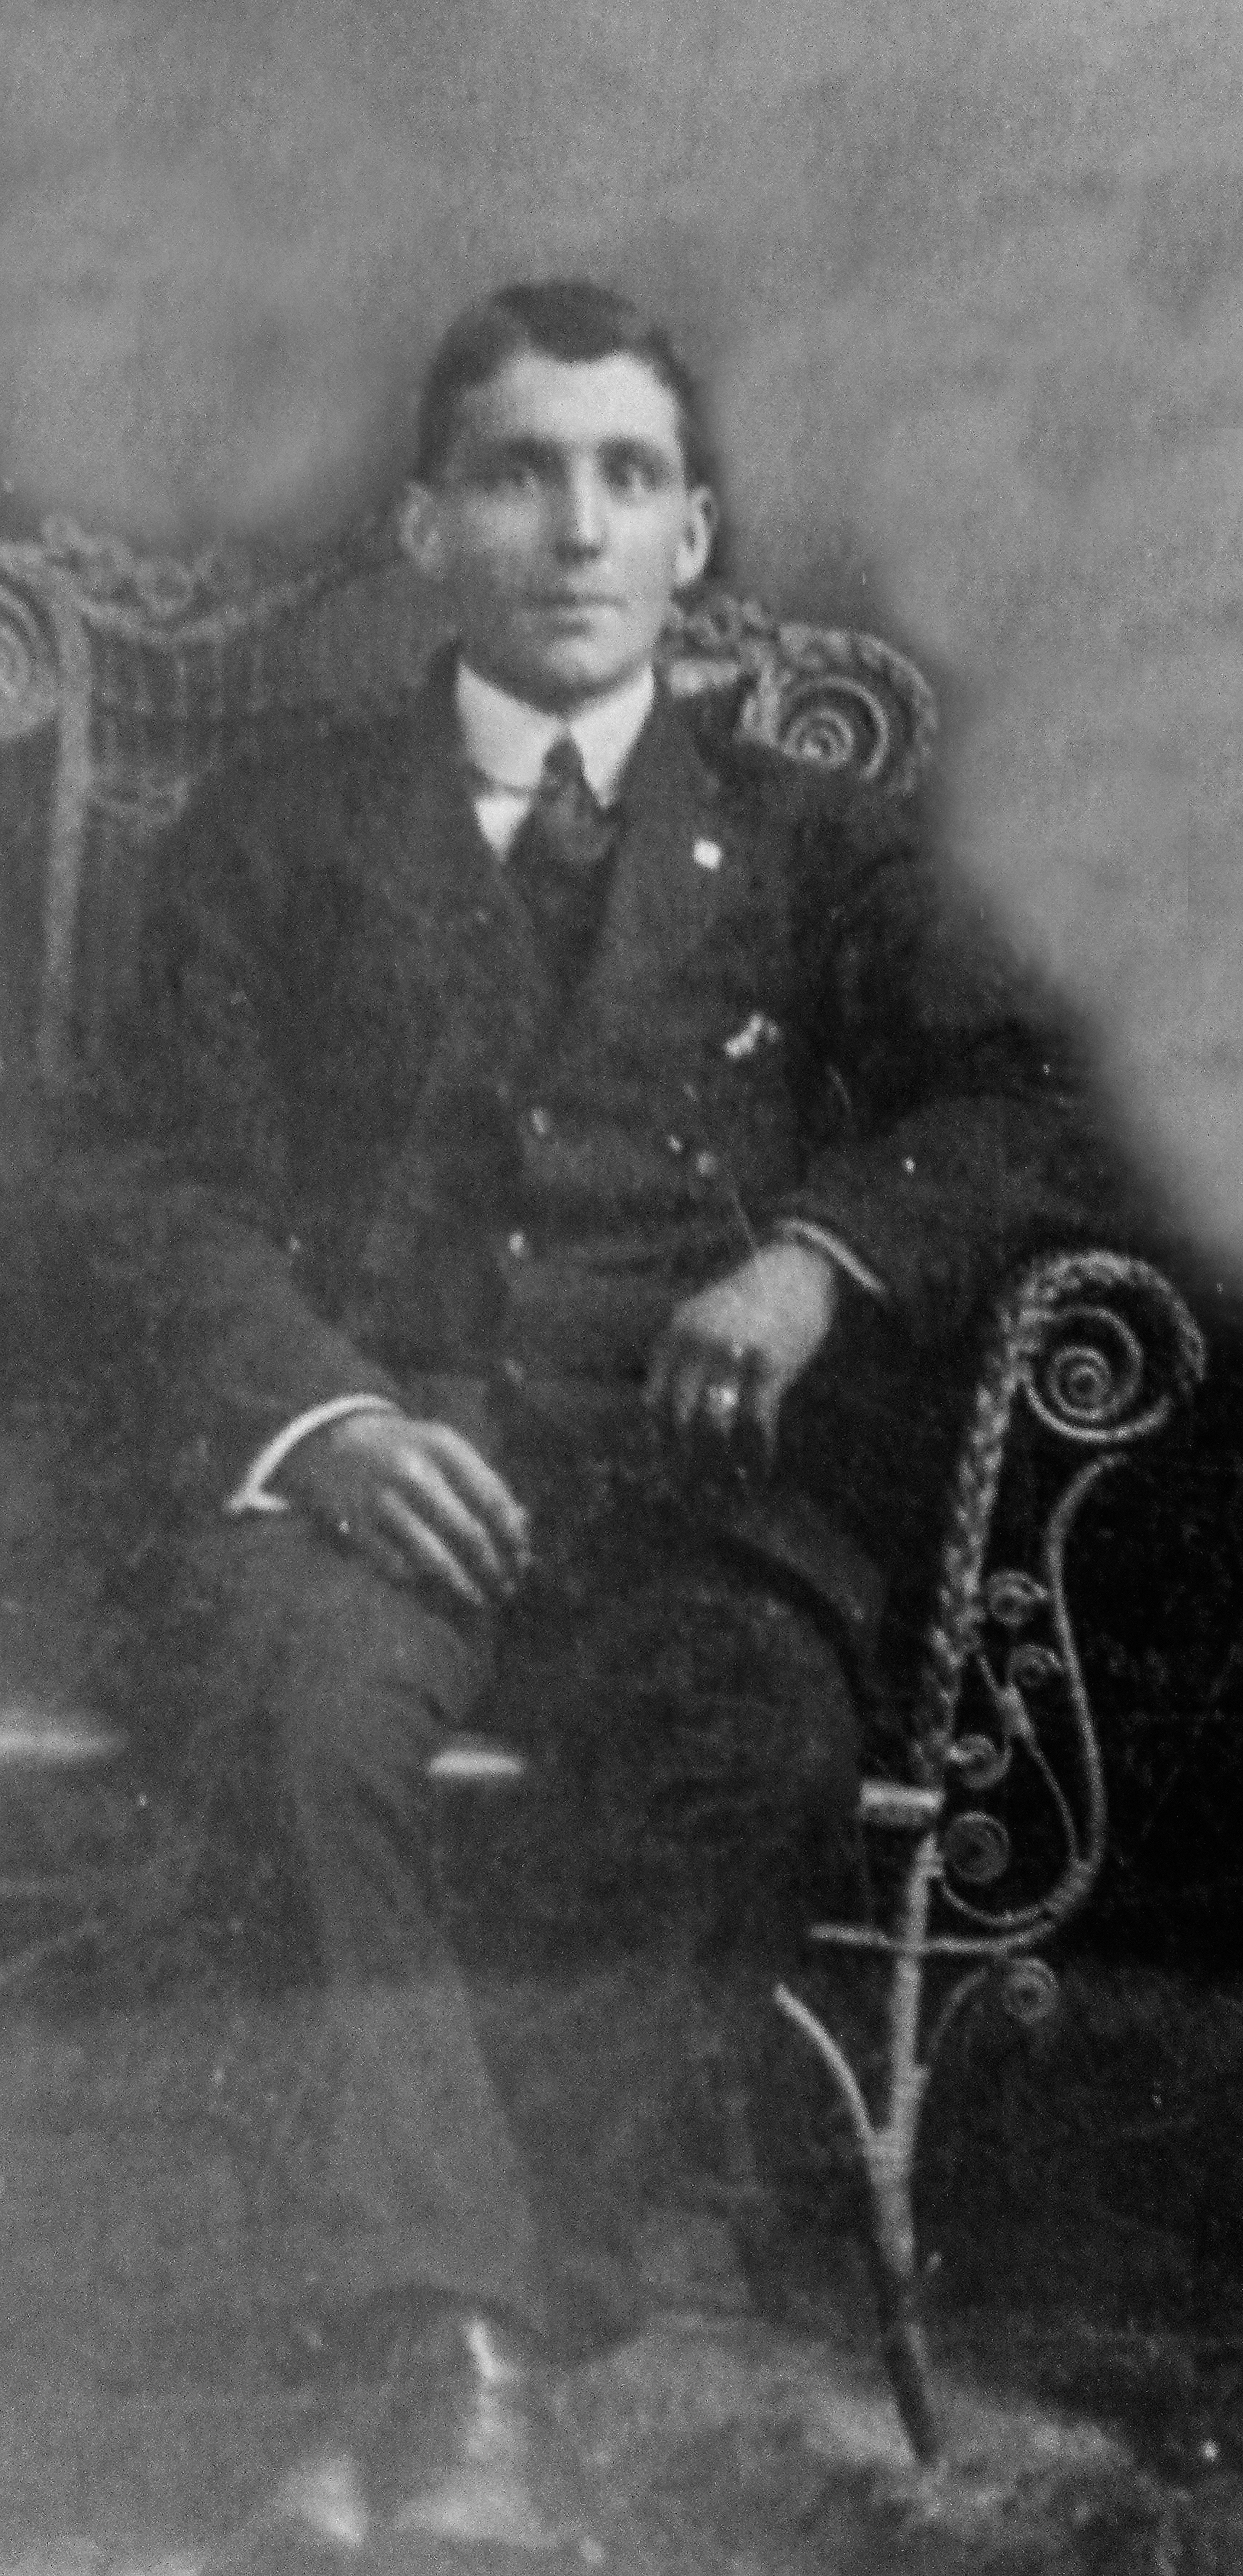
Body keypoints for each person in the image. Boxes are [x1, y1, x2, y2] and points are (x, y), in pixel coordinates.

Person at [104, 278, 1119, 2548]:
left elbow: (1015, 1101)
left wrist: (815, 1251)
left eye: (626, 476)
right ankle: (460, 2362)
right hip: (381, 1491)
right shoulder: (274, 833)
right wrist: (322, 1422)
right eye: (518, 472)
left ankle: (474, 2323)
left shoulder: (812, 840)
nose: (575, 525)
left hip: (690, 1512)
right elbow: (149, 1177)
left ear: (697, 541)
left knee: (744, 1734)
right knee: (298, 1717)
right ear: (424, 530)